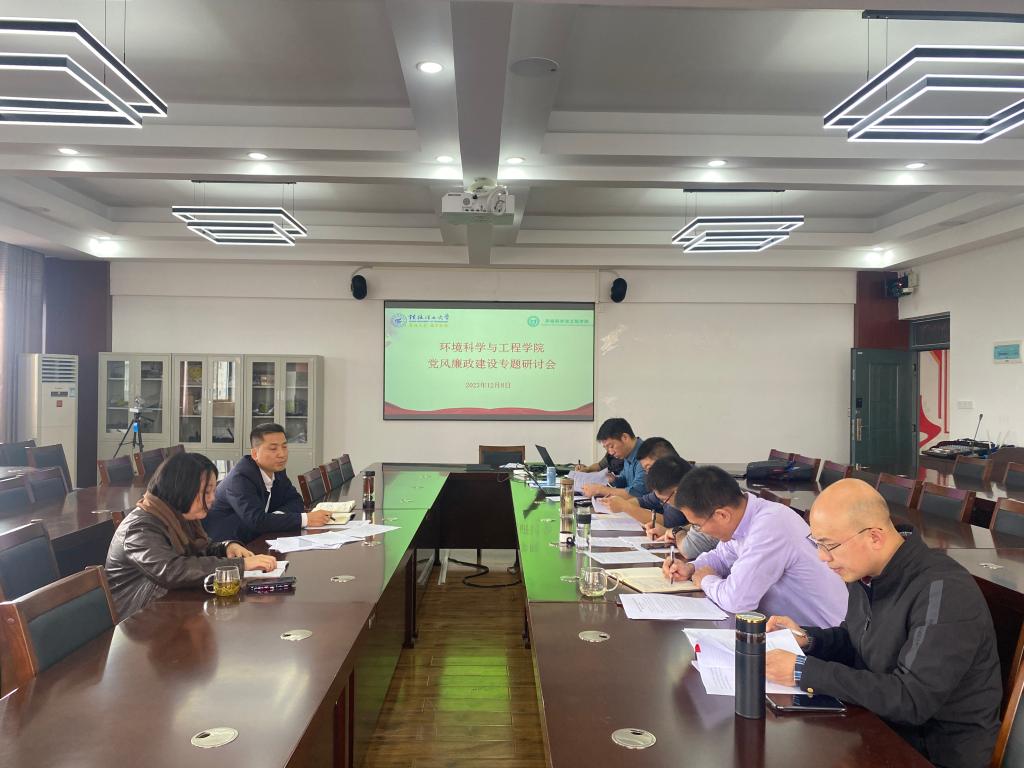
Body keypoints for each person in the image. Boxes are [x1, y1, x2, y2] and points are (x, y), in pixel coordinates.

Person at [764, 479, 1000, 768]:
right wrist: (808, 640)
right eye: (817, 543)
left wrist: (803, 671)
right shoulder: (867, 572)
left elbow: (911, 699)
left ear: (874, 537)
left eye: (829, 545)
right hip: (880, 726)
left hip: (933, 752)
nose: (822, 557)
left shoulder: (944, 590)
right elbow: (856, 639)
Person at [662, 466, 847, 626]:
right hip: (784, 630)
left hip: (820, 637)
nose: (700, 531)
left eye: (698, 526)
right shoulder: (744, 517)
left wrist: (706, 580)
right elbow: (722, 556)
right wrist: (691, 567)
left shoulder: (770, 526)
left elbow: (737, 601)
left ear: (722, 515)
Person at [105, 452, 277, 618]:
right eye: (206, 492)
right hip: (139, 619)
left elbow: (200, 550)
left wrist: (226, 548)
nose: (212, 498)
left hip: (171, 606)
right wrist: (241, 565)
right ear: (182, 490)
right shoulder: (139, 528)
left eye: (213, 491)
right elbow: (173, 570)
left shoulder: (178, 514)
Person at [203, 423, 330, 542]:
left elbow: (295, 500)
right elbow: (257, 521)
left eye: (284, 446)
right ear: (254, 454)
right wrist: (306, 519)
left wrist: (274, 518)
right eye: (273, 449)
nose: (282, 454)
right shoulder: (240, 478)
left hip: (258, 536)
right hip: (228, 544)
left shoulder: (277, 470)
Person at [581, 418, 646, 499]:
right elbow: (625, 480)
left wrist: (600, 490)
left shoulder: (646, 455)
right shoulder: (627, 454)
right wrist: (614, 480)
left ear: (625, 437)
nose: (610, 453)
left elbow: (637, 493)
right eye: (606, 448)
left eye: (611, 446)